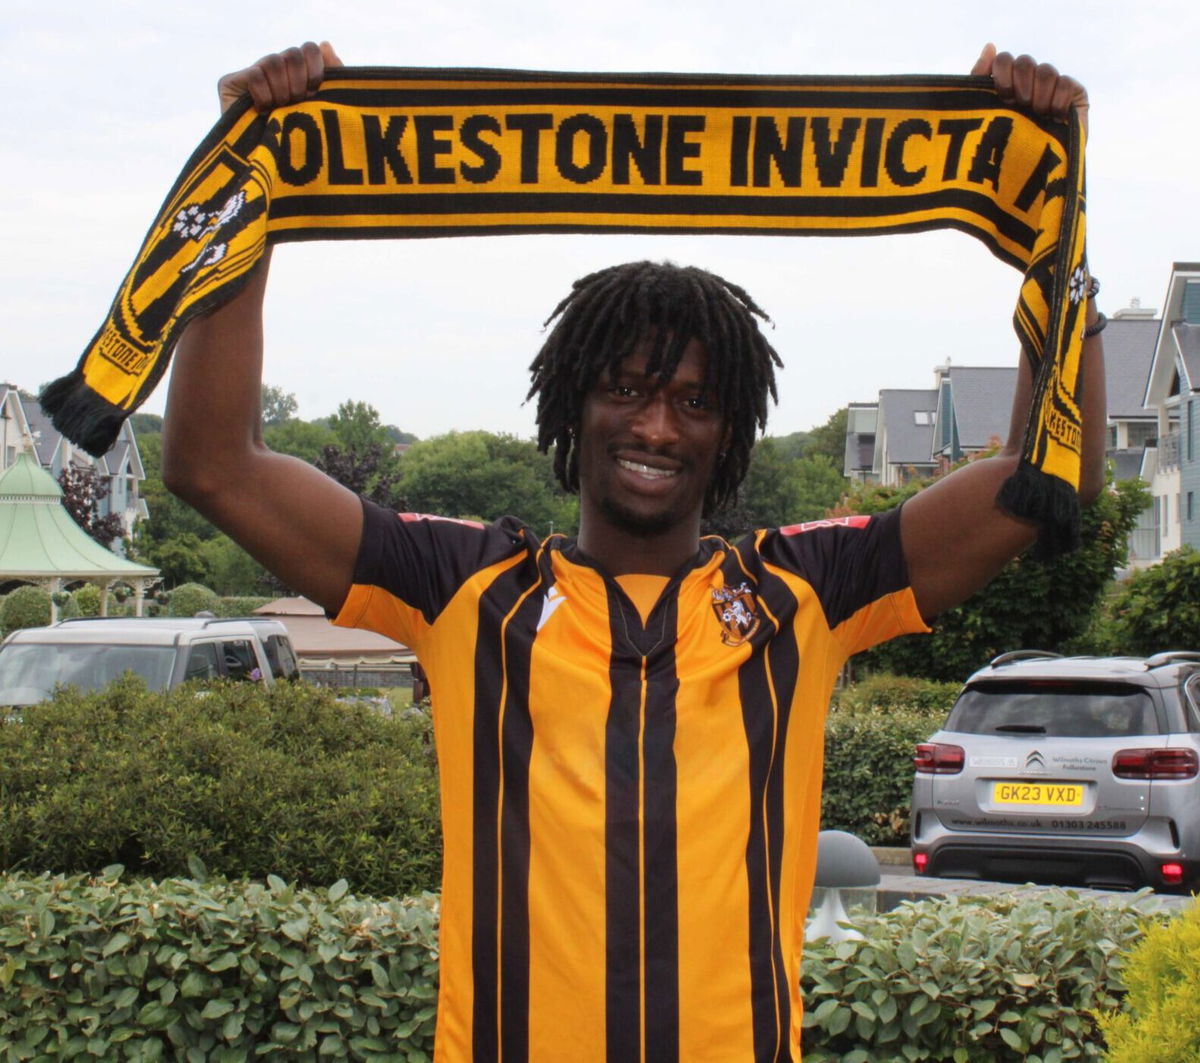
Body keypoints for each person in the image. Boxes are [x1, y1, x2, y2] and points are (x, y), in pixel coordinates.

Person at [162, 41, 1103, 1063]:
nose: (657, 424)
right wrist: (242, 208)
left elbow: (1041, 481)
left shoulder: (802, 594)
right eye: (626, 387)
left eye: (695, 399)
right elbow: (214, 463)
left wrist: (1049, 229)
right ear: (573, 403)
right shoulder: (463, 587)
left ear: (729, 431)